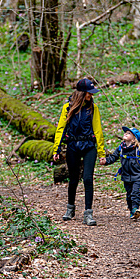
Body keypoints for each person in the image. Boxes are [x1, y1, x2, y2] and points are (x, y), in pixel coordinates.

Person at [53, 78, 105, 226]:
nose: (91, 95)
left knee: (88, 178)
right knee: (74, 179)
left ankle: (88, 213)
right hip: (73, 146)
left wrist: (101, 153)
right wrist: (56, 149)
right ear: (82, 93)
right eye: (89, 93)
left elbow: (98, 130)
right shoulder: (67, 108)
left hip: (89, 146)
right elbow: (61, 128)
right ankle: (70, 208)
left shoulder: (93, 108)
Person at [100, 126, 140, 219]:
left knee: (135, 193)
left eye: (129, 133)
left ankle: (135, 209)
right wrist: (105, 161)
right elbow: (113, 157)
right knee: (129, 194)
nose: (125, 133)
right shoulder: (121, 148)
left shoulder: (139, 148)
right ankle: (131, 211)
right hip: (126, 175)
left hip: (137, 175)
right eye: (125, 132)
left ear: (134, 138)